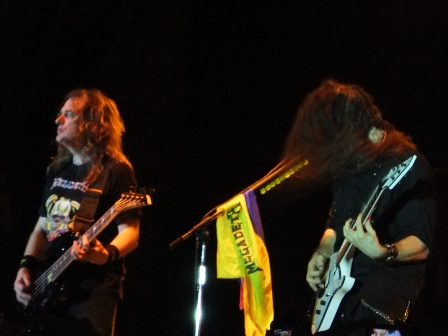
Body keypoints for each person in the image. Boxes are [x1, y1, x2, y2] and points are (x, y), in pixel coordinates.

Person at [282, 80, 436, 335]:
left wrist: (381, 251)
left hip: (383, 302)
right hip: (340, 297)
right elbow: (335, 222)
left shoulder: (410, 166)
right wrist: (322, 251)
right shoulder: (350, 163)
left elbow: (422, 244)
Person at [13, 89, 142, 336]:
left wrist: (106, 255)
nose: (58, 120)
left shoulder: (115, 170)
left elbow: (131, 232)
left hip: (93, 290)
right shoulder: (57, 170)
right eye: (60, 114)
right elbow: (42, 226)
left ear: (92, 124)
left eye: (68, 115)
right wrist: (25, 267)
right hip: (51, 284)